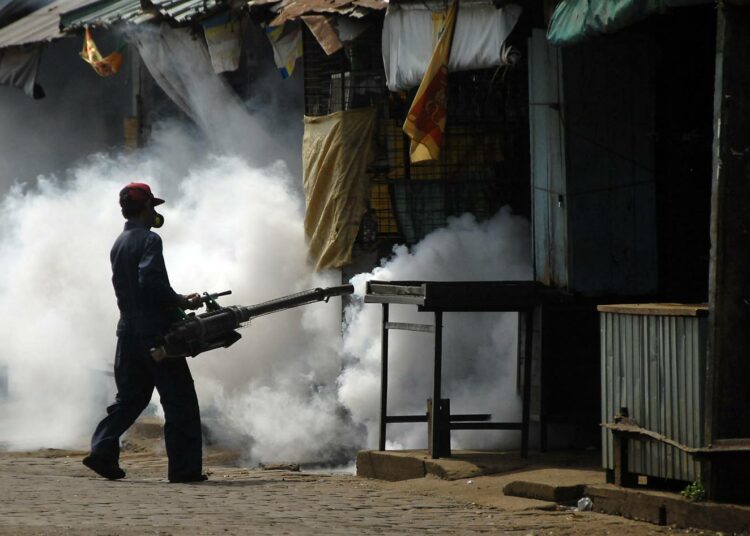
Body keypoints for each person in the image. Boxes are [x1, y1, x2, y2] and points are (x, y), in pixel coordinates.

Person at [83, 182, 206, 483]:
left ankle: (102, 450)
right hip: (154, 333)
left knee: (130, 399)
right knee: (180, 401)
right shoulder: (150, 239)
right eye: (153, 206)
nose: (155, 213)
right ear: (146, 207)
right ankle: (184, 470)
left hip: (127, 333)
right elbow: (149, 282)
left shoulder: (119, 243)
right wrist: (180, 300)